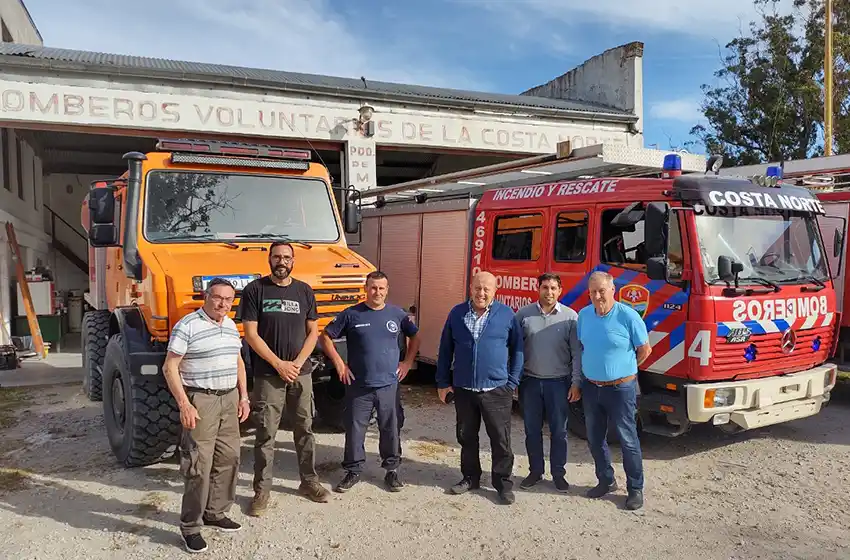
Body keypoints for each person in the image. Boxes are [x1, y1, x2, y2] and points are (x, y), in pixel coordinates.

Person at [240, 241, 331, 516]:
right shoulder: (255, 290)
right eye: (277, 257)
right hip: (269, 374)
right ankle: (261, 491)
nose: (282, 261)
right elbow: (251, 335)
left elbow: (313, 332)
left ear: (293, 261)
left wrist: (298, 364)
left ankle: (309, 481)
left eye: (287, 257)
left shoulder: (304, 290)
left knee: (305, 429)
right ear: (269, 259)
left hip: (300, 374)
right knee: (266, 433)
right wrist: (279, 365)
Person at [162, 278, 251, 554]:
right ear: (206, 297)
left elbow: (238, 362)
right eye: (218, 298)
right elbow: (170, 367)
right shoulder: (188, 326)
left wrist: (244, 395)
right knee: (199, 464)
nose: (223, 304)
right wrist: (184, 405)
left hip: (229, 398)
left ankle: (216, 512)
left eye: (229, 299)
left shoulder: (230, 325)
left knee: (229, 458)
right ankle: (191, 527)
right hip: (200, 399)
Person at [319, 271, 420, 493]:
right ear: (366, 288)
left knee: (390, 428)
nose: (377, 292)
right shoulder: (352, 314)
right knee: (355, 429)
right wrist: (339, 363)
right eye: (373, 288)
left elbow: (415, 336)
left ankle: (391, 471)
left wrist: (407, 363)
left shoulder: (397, 315)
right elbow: (325, 336)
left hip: (388, 385)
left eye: (381, 288)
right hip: (359, 385)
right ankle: (353, 471)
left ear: (387, 290)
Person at [435, 271, 524, 505]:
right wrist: (443, 383)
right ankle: (470, 477)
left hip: (496, 390)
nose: (481, 293)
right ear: (470, 288)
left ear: (495, 291)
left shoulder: (506, 315)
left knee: (501, 440)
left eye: (486, 289)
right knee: (466, 436)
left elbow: (518, 351)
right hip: (464, 388)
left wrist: (512, 382)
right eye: (477, 288)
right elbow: (445, 350)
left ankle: (503, 484)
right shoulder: (457, 313)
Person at [576, 270, 651, 511]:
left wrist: (626, 371)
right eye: (593, 292)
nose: (597, 296)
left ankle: (635, 488)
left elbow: (644, 350)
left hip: (621, 389)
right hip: (591, 387)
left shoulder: (628, 316)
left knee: (628, 439)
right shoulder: (584, 316)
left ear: (612, 291)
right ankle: (606, 480)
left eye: (601, 291)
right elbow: (583, 347)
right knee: (595, 438)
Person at [514, 273, 582, 492]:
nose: (549, 292)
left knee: (559, 432)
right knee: (532, 430)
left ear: (560, 290)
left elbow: (576, 353)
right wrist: (513, 379)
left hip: (559, 384)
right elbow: (513, 349)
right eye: (545, 287)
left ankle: (558, 474)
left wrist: (575, 383)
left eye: (553, 288)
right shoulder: (523, 315)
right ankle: (535, 472)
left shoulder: (571, 317)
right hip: (530, 382)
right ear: (538, 289)